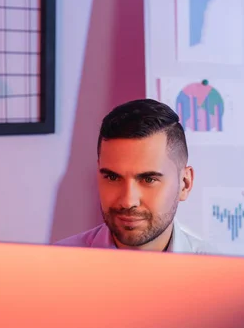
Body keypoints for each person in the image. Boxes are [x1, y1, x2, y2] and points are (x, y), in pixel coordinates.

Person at [55, 99, 214, 254]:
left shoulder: (217, 275)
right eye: (112, 177)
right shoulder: (56, 266)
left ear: (185, 183)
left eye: (149, 179)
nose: (128, 201)